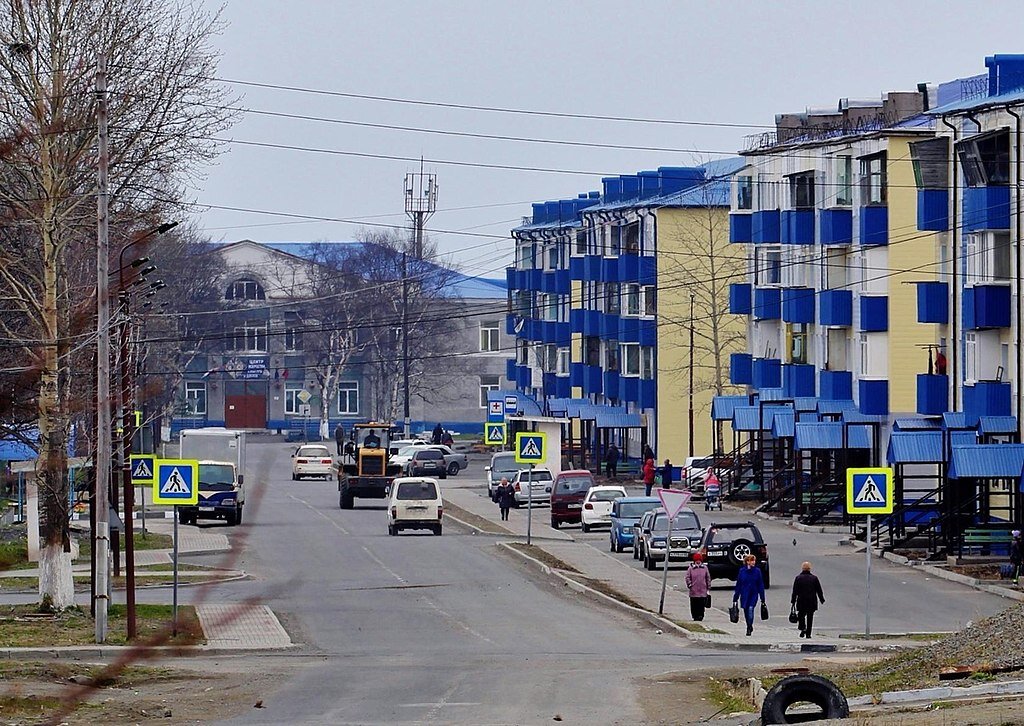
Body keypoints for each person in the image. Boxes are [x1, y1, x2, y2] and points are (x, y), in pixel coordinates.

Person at [733, 554, 766, 636]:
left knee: (751, 609)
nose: (753, 562)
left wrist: (762, 597)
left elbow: (760, 584)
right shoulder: (742, 571)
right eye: (751, 560)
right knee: (746, 611)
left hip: (753, 594)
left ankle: (749, 626)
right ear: (747, 562)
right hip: (744, 594)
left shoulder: (757, 571)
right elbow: (739, 584)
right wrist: (735, 597)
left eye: (754, 560)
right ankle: (748, 625)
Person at [791, 561, 825, 638]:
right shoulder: (814, 578)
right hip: (811, 601)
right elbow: (819, 590)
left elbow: (795, 591)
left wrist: (793, 600)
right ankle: (808, 633)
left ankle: (803, 628)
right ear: (810, 569)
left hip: (801, 601)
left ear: (802, 568)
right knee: (810, 617)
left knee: (801, 615)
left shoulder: (798, 578)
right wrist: (821, 599)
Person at [685, 552, 712, 622]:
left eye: (699, 560)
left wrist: (708, 587)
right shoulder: (691, 568)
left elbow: (708, 578)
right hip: (694, 590)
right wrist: (690, 585)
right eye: (696, 560)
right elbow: (687, 577)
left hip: (702, 590)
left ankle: (701, 615)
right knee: (694, 604)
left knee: (701, 604)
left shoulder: (705, 568)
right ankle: (695, 616)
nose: (698, 562)